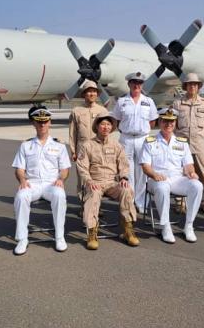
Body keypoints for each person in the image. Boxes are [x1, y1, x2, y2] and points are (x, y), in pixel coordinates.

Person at [11, 107, 71, 255]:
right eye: (39, 122)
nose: (42, 125)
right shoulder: (26, 145)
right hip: (33, 183)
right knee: (21, 196)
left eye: (45, 121)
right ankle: (22, 239)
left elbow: (65, 169)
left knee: (59, 195)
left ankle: (59, 236)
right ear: (34, 123)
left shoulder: (59, 146)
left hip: (52, 183)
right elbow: (19, 168)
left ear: (50, 122)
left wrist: (61, 179)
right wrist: (22, 180)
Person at [76, 114, 140, 250]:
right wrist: (89, 181)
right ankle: (92, 232)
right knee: (93, 194)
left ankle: (127, 229)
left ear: (112, 128)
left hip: (112, 183)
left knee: (127, 189)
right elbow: (82, 167)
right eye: (103, 124)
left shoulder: (117, 146)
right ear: (97, 127)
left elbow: (124, 164)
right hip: (95, 182)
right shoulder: (87, 145)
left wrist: (123, 178)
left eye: (109, 125)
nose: (106, 127)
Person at [140, 107, 203, 243]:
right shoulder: (150, 141)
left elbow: (188, 164)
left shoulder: (182, 142)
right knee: (162, 187)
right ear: (159, 122)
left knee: (197, 186)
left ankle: (189, 225)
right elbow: (145, 166)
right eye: (165, 121)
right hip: (156, 179)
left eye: (171, 122)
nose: (168, 124)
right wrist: (154, 174)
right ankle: (166, 226)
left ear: (175, 123)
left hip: (177, 178)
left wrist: (191, 172)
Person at [112, 72, 159, 214]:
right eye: (133, 82)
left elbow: (152, 121)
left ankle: (141, 201)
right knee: (127, 171)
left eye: (139, 82)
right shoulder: (121, 101)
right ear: (129, 84)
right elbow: (117, 120)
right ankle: (129, 200)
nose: (136, 85)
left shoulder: (148, 101)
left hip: (142, 138)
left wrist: (141, 130)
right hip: (126, 138)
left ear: (142, 85)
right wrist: (127, 130)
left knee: (142, 171)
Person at [172, 72, 204, 213]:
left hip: (198, 143)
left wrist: (200, 137)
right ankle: (180, 201)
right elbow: (174, 124)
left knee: (202, 172)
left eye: (195, 84)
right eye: (190, 84)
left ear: (199, 87)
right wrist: (179, 137)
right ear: (185, 86)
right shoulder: (178, 103)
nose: (192, 86)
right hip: (181, 143)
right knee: (180, 171)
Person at [68, 80, 108, 194]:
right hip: (82, 148)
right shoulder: (76, 111)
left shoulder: (102, 110)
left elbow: (107, 131)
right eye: (89, 91)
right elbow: (72, 133)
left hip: (98, 147)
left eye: (94, 91)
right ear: (84, 94)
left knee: (98, 176)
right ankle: (83, 206)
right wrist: (73, 151)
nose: (92, 94)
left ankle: (96, 206)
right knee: (82, 177)